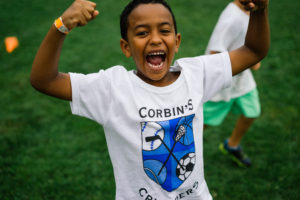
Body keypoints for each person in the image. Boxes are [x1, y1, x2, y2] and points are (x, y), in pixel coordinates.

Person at [30, 0, 269, 199]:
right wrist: (60, 27)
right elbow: (44, 79)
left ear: (176, 41)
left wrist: (259, 10)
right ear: (126, 47)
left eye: (164, 31)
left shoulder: (197, 74)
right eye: (142, 33)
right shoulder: (112, 89)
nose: (155, 39)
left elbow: (254, 51)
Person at [203, 0, 264, 168]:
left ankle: (232, 145)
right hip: (222, 82)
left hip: (242, 80)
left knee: (252, 112)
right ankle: (177, 150)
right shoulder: (231, 18)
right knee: (202, 122)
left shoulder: (252, 12)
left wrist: (251, 57)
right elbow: (215, 52)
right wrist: (248, 60)